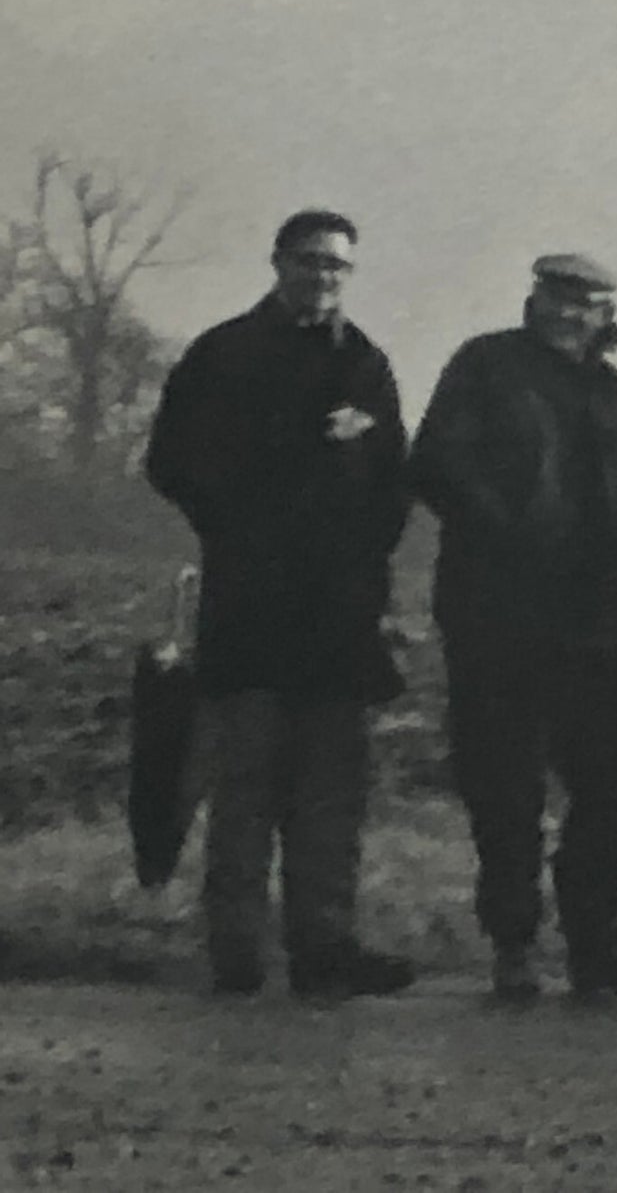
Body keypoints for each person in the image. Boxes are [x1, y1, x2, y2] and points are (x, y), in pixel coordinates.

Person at [144, 209, 414, 1000]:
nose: (322, 277)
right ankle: (235, 950)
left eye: (337, 266)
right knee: (247, 788)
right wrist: (247, 519)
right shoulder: (222, 355)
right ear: (276, 262)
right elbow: (172, 462)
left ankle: (324, 947)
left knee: (330, 795)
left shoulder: (366, 363)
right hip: (251, 607)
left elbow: (392, 477)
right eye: (308, 261)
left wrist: (366, 558)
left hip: (338, 617)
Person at [409, 254, 617, 1002]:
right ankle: (514, 944)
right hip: (494, 607)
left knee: (611, 784)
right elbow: (438, 463)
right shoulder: (484, 365)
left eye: (589, 304)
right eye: (559, 298)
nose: (571, 315)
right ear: (534, 298)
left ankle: (592, 943)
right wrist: (510, 535)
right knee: (505, 788)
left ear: (607, 316)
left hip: (590, 615)